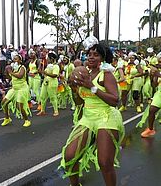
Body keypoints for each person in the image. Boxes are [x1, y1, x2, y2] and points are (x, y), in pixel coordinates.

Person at [60, 39, 124, 186]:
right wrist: (73, 89)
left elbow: (115, 101)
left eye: (95, 54)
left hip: (106, 117)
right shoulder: (83, 74)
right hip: (88, 117)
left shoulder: (106, 75)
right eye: (89, 54)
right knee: (69, 156)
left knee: (104, 162)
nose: (91, 57)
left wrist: (92, 87)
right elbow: (80, 103)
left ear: (102, 58)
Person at [0, 55, 31, 127]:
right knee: (4, 102)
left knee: (19, 106)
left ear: (20, 60)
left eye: (16, 59)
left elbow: (20, 76)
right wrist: (7, 72)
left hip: (22, 88)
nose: (14, 60)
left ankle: (27, 120)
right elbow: (9, 77)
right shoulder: (13, 68)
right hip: (14, 88)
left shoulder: (22, 68)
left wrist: (10, 72)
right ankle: (7, 118)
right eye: (13, 59)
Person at [37, 52, 60, 116]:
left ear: (51, 59)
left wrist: (46, 73)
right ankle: (42, 110)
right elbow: (44, 73)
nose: (47, 59)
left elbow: (55, 75)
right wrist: (41, 69)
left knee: (52, 97)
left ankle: (56, 111)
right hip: (46, 82)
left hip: (52, 83)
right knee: (42, 96)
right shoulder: (48, 66)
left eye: (48, 58)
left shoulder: (56, 66)